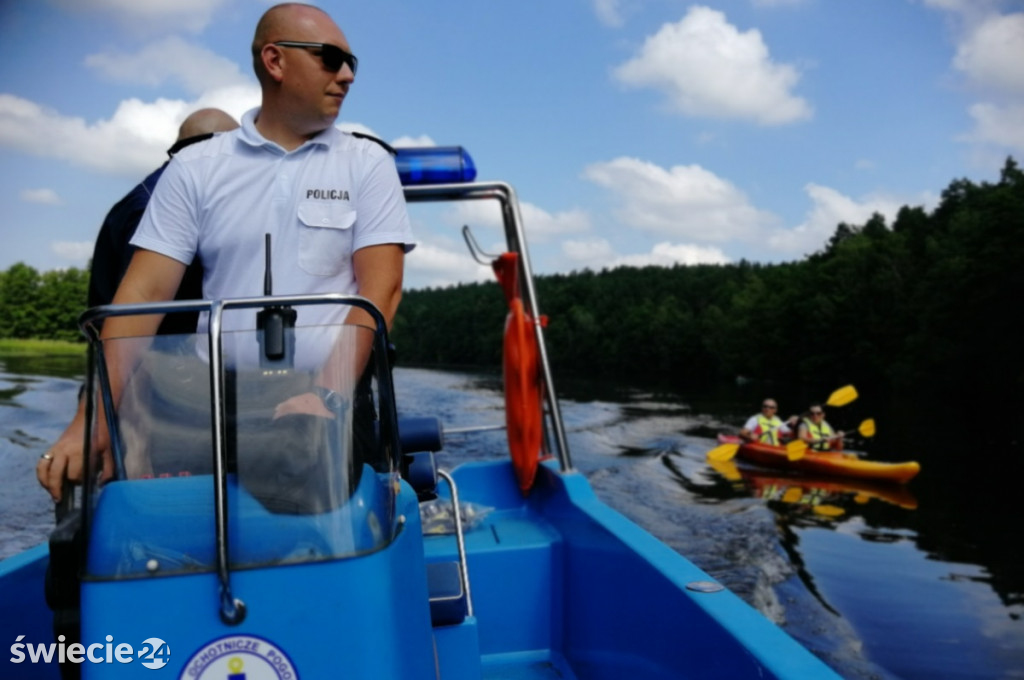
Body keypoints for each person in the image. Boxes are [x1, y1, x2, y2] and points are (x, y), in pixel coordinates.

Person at [37, 2, 414, 503]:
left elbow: (381, 289)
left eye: (352, 63)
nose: (346, 75)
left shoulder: (368, 163)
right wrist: (93, 421)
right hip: (208, 403)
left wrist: (324, 395)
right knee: (189, 531)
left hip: (329, 399)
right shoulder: (195, 167)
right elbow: (141, 297)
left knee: (316, 533)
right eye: (330, 58)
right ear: (275, 61)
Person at [88, 108, 239, 334]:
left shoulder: (159, 193)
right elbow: (138, 309)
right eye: (236, 152)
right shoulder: (160, 205)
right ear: (209, 150)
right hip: (158, 352)